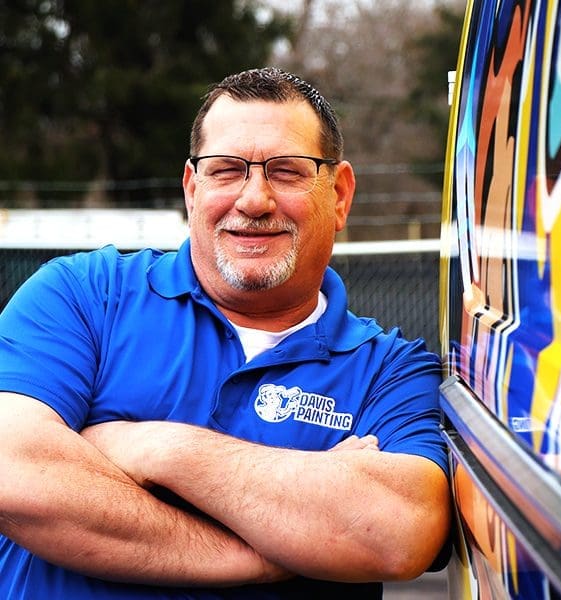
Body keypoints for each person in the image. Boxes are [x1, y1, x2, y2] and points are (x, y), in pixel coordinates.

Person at [0, 66, 451, 598]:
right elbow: (16, 476)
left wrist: (159, 448)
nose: (254, 200)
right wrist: (269, 551)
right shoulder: (83, 296)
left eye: (286, 171)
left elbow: (400, 531)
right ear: (192, 189)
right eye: (226, 170)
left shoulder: (392, 372)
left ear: (341, 196)